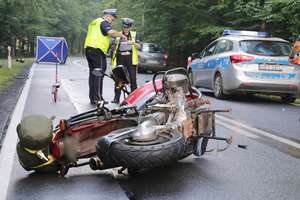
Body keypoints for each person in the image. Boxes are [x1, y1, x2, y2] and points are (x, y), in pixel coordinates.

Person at [84, 9, 127, 105]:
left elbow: (101, 36)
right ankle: (98, 99)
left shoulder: (95, 22)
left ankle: (93, 98)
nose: (113, 21)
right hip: (97, 51)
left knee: (93, 74)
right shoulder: (103, 23)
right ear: (108, 16)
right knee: (99, 74)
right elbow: (111, 32)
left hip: (89, 49)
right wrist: (121, 35)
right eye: (113, 18)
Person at [111, 18, 141, 104]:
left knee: (133, 80)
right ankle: (116, 98)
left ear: (130, 27)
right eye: (124, 27)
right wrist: (114, 44)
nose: (125, 29)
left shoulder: (134, 34)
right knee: (119, 80)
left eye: (127, 27)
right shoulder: (118, 34)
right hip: (120, 59)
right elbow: (113, 48)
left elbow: (139, 46)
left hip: (131, 60)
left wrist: (133, 43)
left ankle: (134, 99)